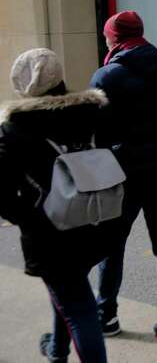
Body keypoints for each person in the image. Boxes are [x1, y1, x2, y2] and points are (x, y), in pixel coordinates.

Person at [91, 11, 157, 347]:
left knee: (111, 245)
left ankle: (105, 316)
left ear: (115, 38)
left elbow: (93, 131)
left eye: (108, 34)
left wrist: (118, 146)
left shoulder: (107, 76)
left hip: (122, 175)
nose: (105, 39)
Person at [0, 48, 113, 362]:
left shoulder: (16, 128)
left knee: (80, 308)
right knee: (69, 289)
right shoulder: (92, 113)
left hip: (50, 234)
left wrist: (30, 218)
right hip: (95, 220)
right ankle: (56, 350)